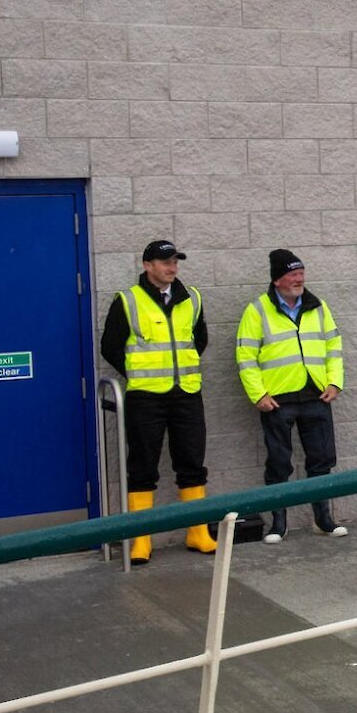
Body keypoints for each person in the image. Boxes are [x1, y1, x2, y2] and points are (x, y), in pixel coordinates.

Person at [99, 239, 216, 563]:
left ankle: (198, 532)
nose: (172, 267)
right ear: (147, 265)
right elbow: (110, 347)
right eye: (165, 262)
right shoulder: (129, 300)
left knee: (192, 462)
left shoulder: (191, 297)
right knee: (142, 465)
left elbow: (199, 339)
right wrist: (138, 373)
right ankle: (141, 541)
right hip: (145, 396)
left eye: (175, 261)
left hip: (186, 393)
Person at [237, 249, 347, 542]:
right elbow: (245, 356)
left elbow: (333, 346)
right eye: (292, 274)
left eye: (301, 273)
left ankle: (323, 520)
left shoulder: (318, 306)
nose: (299, 279)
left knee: (322, 460)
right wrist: (257, 394)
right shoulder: (257, 310)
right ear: (277, 280)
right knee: (278, 462)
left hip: (316, 394)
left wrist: (335, 382)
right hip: (277, 399)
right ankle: (278, 524)